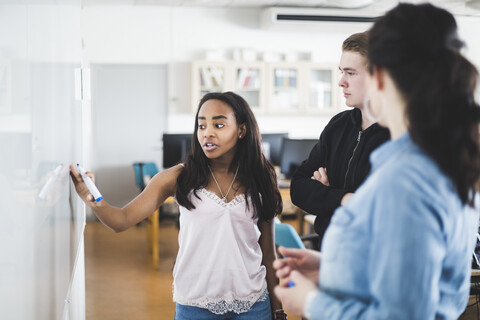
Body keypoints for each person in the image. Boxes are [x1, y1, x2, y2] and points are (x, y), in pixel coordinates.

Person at [273, 3, 480, 319]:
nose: (341, 81)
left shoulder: (406, 180)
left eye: (351, 72)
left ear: (378, 78)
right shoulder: (440, 158)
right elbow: (399, 274)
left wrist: (310, 302)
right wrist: (332, 268)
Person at [71, 91, 288, 320]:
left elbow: (267, 253)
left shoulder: (261, 177)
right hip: (195, 306)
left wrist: (278, 310)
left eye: (219, 125)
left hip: (254, 304)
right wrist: (91, 196)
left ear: (242, 130)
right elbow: (121, 220)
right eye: (201, 126)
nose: (208, 133)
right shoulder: (177, 177)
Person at [290, 31, 390, 248]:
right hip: (331, 257)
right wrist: (344, 199)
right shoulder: (338, 126)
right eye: (341, 72)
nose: (341, 82)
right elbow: (298, 187)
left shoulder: (401, 135)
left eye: (351, 73)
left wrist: (325, 195)